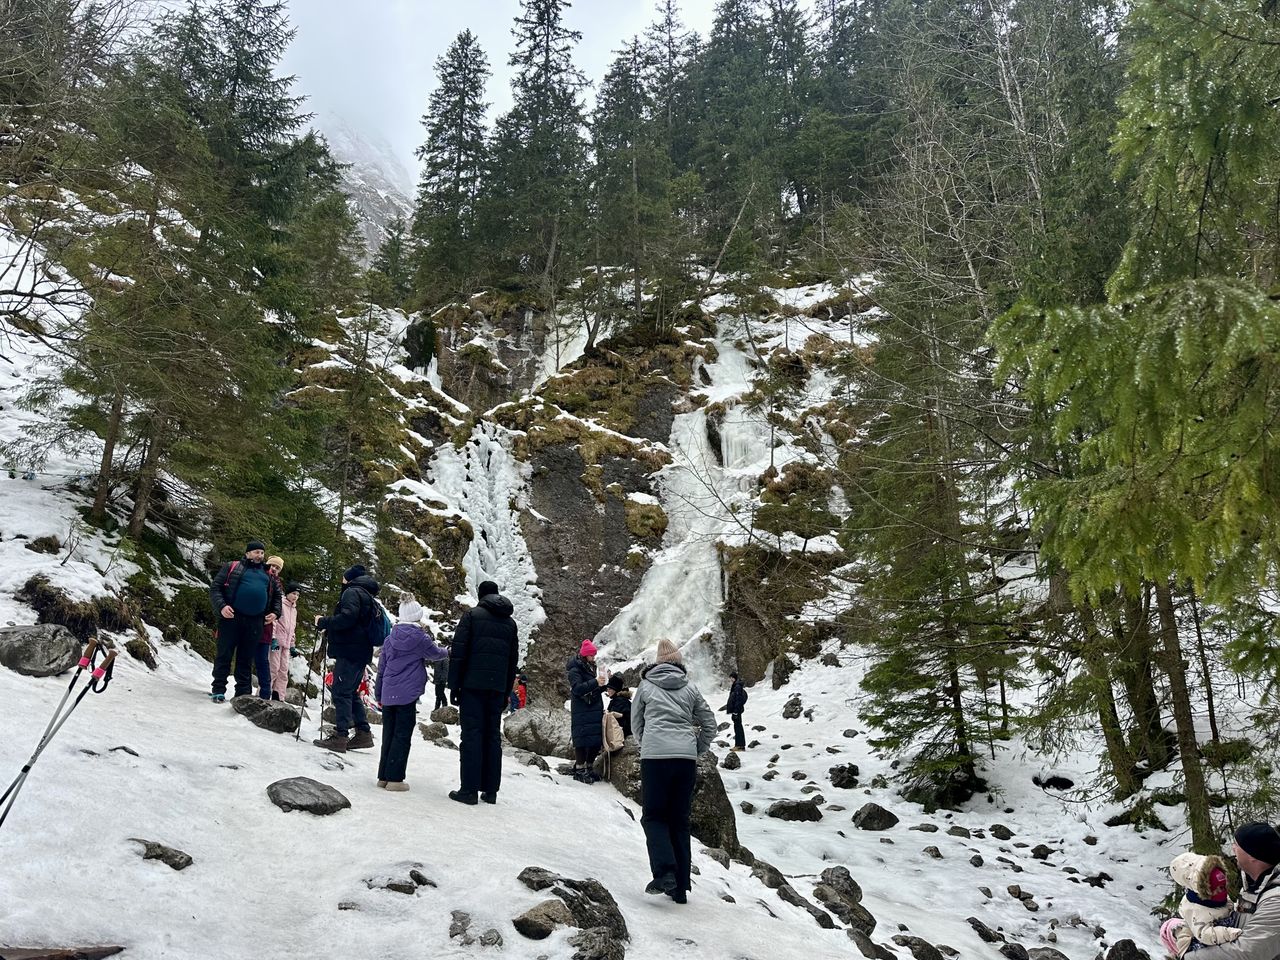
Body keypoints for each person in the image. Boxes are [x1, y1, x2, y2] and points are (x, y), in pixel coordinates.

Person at [632, 638, 716, 905]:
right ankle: (680, 889)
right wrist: (696, 748)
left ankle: (665, 872)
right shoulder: (690, 687)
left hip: (655, 759)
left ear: (657, 663)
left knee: (654, 817)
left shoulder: (645, 687)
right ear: (679, 663)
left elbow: (636, 725)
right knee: (679, 820)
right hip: (685, 760)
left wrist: (649, 745)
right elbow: (709, 723)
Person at [447, 580, 519, 805]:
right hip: (496, 688)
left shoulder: (471, 616)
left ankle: (468, 790)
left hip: (472, 686)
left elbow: (459, 653)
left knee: (471, 735)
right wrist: (506, 691)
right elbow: (512, 661)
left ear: (480, 595)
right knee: (491, 736)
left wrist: (454, 685)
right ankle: (490, 790)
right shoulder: (510, 624)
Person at [1164, 822, 1280, 959]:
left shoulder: (1275, 900)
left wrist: (1188, 957)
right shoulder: (1254, 884)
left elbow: (1248, 952)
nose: (1233, 848)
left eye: (1237, 845)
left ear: (1252, 856)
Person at [375, 594, 449, 792]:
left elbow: (382, 668)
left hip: (388, 692)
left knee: (388, 734)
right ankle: (395, 779)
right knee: (402, 736)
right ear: (417, 617)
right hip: (407, 695)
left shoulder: (390, 639)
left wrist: (378, 693)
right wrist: (449, 651)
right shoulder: (419, 638)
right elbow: (436, 654)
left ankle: (383, 776)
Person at [312, 564, 381, 753]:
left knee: (341, 692)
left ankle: (340, 736)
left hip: (350, 651)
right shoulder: (367, 595)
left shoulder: (352, 592)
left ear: (348, 578)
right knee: (350, 692)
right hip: (360, 651)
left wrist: (324, 622)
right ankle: (363, 733)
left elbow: (347, 618)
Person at [209, 541, 282, 703]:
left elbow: (277, 597)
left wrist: (275, 613)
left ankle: (243, 693)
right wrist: (222, 606)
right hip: (231, 617)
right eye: (256, 552)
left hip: (256, 621)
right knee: (224, 653)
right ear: (248, 553)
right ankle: (218, 689)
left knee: (246, 658)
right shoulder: (232, 567)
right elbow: (216, 588)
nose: (260, 556)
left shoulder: (268, 575)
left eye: (262, 553)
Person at [1162, 851, 1240, 956]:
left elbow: (1229, 907)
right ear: (1205, 889)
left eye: (1223, 886)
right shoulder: (1197, 910)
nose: (1222, 890)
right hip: (1212, 940)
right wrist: (1228, 933)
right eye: (1217, 888)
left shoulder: (1219, 898)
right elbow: (1204, 934)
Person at [567, 639, 606, 783]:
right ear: (585, 655)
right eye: (592, 655)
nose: (593, 658)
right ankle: (580, 769)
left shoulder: (589, 667)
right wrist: (596, 682)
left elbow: (591, 688)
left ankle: (589, 768)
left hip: (592, 708)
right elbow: (577, 689)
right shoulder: (574, 670)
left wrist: (603, 684)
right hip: (582, 709)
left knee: (594, 739)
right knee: (582, 739)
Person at [254, 555, 285, 699]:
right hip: (252, 622)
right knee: (246, 657)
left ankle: (265, 693)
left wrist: (275, 613)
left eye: (277, 568)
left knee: (263, 661)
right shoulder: (258, 576)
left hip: (266, 626)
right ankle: (243, 690)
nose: (274, 569)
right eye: (273, 565)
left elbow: (277, 604)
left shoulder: (278, 584)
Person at [269, 581, 300, 701]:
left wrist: (292, 645)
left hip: (286, 645)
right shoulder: (280, 604)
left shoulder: (294, 610)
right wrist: (273, 638)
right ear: (287, 593)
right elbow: (274, 622)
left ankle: (278, 696)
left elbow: (292, 629)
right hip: (277, 643)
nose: (295, 596)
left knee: (283, 671)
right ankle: (264, 693)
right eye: (293, 593)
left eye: (297, 595)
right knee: (273, 668)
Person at [723, 671, 748, 752]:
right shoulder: (737, 686)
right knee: (737, 726)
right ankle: (740, 745)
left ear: (733, 678)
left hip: (737, 711)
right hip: (737, 710)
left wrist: (736, 711)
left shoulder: (737, 686)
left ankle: (739, 745)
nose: (730, 680)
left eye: (731, 678)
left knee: (738, 727)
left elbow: (738, 700)